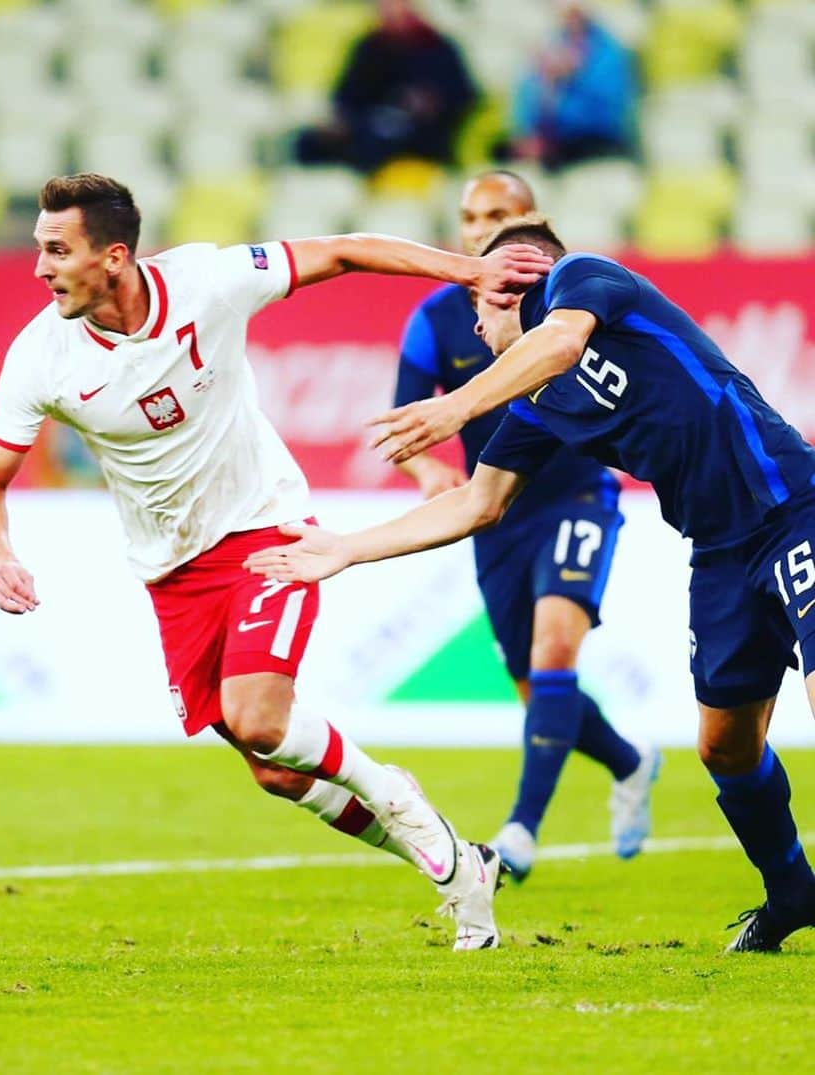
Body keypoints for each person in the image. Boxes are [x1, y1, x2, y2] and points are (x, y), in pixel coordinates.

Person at [0, 173, 554, 950]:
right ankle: (451, 858)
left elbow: (343, 251)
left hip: (264, 529)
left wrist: (468, 268)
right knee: (276, 770)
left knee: (259, 719)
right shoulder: (40, 354)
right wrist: (0, 555)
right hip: (170, 571)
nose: (39, 268)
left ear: (112, 256)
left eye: (55, 250)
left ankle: (403, 803)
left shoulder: (206, 282)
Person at [246, 216, 815, 953]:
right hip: (719, 551)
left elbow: (560, 341)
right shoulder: (536, 406)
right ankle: (793, 892)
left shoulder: (583, 279)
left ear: (513, 284)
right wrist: (347, 550)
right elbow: (476, 503)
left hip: (793, 508)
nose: (472, 324)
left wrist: (455, 406)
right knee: (726, 750)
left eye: (478, 303)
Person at [391, 171, 658, 880]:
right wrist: (428, 474)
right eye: (470, 216)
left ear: (529, 223)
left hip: (574, 495)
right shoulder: (435, 318)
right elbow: (405, 420)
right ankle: (630, 761)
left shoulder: (568, 301)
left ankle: (520, 833)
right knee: (537, 687)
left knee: (554, 651)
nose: (479, 229)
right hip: (494, 509)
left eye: (496, 215)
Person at [295, 0, 478, 174]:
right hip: (369, 125)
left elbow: (464, 99)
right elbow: (347, 96)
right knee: (308, 142)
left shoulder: (438, 47)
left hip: (422, 133)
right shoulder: (369, 47)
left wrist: (432, 103)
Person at [509, 1, 637, 171]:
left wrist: (573, 78)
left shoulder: (609, 50)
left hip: (596, 143)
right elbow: (527, 101)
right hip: (554, 146)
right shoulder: (549, 47)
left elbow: (611, 112)